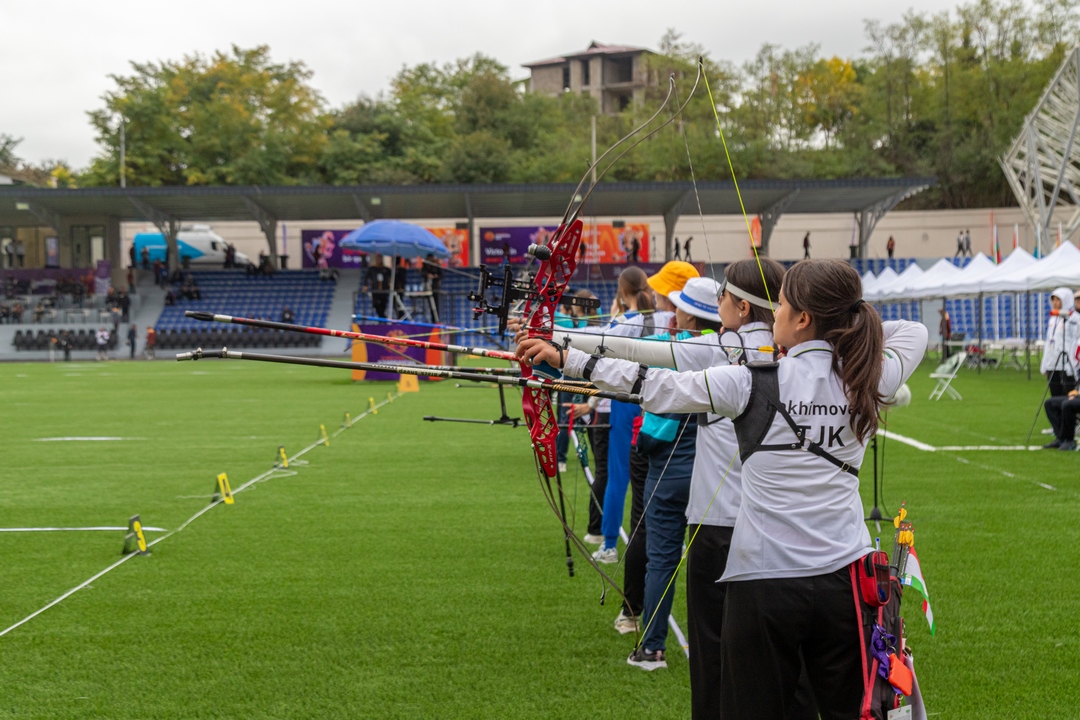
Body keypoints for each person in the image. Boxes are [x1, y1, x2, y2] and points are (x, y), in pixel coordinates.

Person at [520, 260, 928, 719]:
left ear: (802, 320)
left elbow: (654, 387)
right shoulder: (868, 377)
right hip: (844, 584)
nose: (771, 317)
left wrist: (567, 359)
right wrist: (848, 323)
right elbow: (913, 332)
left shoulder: (751, 380)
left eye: (783, 307)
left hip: (763, 585)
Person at [1041, 287, 1075, 397]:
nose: (1055, 303)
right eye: (1053, 300)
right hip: (1053, 363)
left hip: (1067, 364)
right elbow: (1048, 342)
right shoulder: (1053, 319)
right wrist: (1045, 364)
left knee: (1067, 394)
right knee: (1054, 394)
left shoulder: (1074, 319)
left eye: (1058, 300)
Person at [364, 253, 392, 318]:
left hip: (384, 290)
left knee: (383, 304)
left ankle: (382, 317)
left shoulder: (386, 269)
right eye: (377, 259)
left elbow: (392, 277)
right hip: (375, 290)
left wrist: (390, 284)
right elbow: (366, 277)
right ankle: (382, 316)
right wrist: (365, 285)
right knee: (375, 303)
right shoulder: (372, 269)